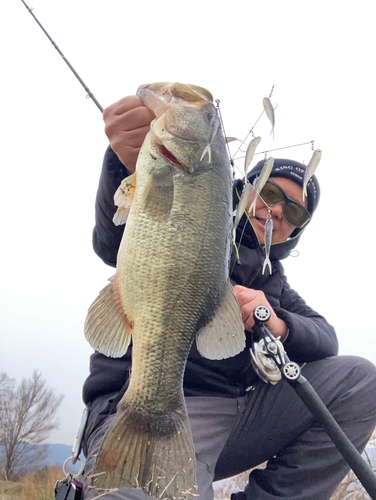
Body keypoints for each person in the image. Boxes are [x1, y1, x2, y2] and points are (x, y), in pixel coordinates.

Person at [81, 92, 376, 500]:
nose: (276, 211)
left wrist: (275, 319)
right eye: (270, 194)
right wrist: (124, 162)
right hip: (153, 401)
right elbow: (113, 239)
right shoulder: (194, 209)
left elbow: (327, 338)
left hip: (238, 416)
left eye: (294, 213)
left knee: (361, 381)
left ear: (295, 230)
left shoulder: (274, 281)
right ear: (243, 188)